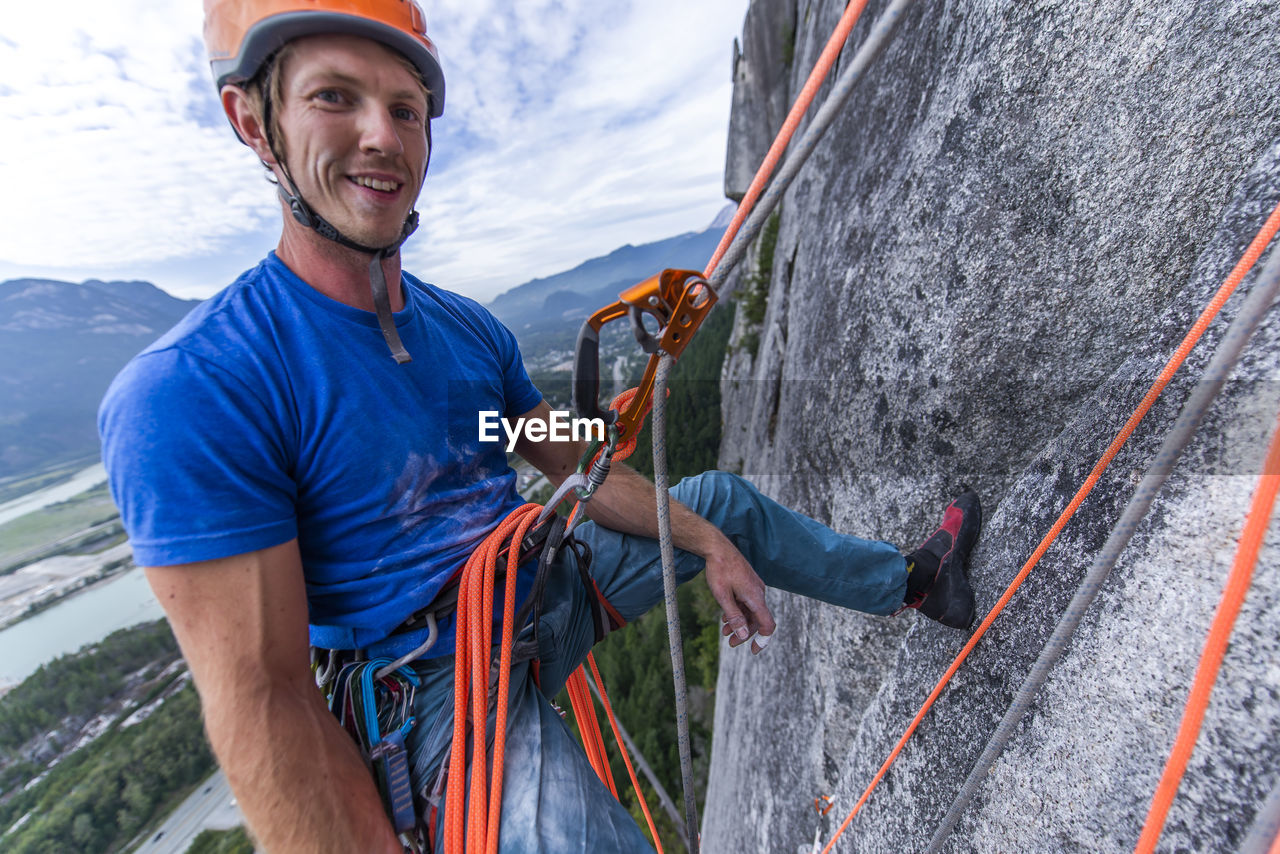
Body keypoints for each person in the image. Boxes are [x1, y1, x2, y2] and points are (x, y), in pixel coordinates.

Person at [98, 3, 981, 852]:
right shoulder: (202, 389)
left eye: (404, 108)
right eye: (334, 97)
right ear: (252, 122)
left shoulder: (465, 336)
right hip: (432, 695)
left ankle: (912, 584)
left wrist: (707, 538)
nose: (381, 134)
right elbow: (267, 701)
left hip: (537, 594)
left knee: (722, 506)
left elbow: (574, 472)